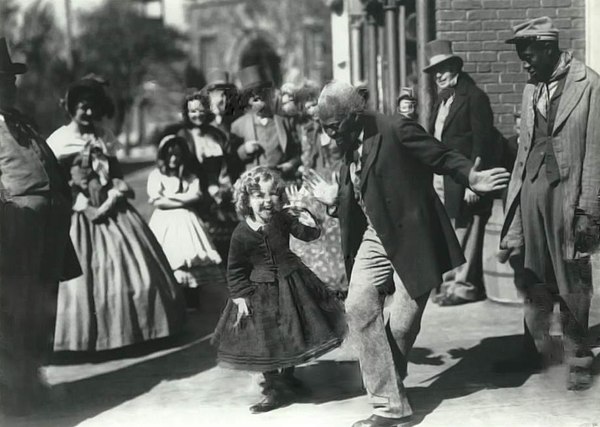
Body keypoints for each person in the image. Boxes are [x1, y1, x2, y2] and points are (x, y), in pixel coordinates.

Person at [305, 81, 509, 427]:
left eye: (333, 127)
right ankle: (388, 404)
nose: (328, 136)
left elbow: (441, 155)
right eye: (323, 128)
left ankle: (391, 386)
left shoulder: (396, 128)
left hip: (415, 239)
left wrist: (472, 176)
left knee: (401, 325)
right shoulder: (345, 139)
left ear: (353, 116)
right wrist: (335, 200)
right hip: (374, 237)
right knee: (357, 306)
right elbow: (358, 190)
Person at [47, 76, 185, 352]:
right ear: (71, 107)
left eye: (93, 108)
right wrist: (81, 203)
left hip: (112, 208)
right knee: (79, 280)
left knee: (138, 273)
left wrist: (114, 192)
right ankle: (79, 340)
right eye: (83, 107)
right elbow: (55, 181)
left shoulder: (104, 136)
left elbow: (116, 173)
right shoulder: (59, 140)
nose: (88, 113)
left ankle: (137, 332)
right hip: (78, 211)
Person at [498, 16, 600, 391]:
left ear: (547, 47)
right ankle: (535, 350)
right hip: (531, 193)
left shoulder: (588, 85)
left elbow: (595, 154)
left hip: (568, 195)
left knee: (573, 279)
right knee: (530, 275)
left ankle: (578, 357)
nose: (524, 62)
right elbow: (524, 151)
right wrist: (515, 206)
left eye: (529, 54)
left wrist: (588, 210)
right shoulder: (530, 89)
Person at [212, 166, 346, 414]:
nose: (266, 201)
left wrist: (308, 216)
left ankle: (288, 377)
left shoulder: (283, 219)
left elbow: (308, 234)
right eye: (259, 196)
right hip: (258, 292)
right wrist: (240, 296)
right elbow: (235, 267)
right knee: (268, 339)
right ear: (246, 200)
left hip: (292, 283)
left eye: (273, 194)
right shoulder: (241, 233)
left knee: (294, 331)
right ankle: (273, 387)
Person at [0, 37, 81, 416]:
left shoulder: (21, 119)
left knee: (41, 308)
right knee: (14, 310)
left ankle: (32, 381)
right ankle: (12, 394)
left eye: (9, 77)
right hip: (16, 229)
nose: (10, 84)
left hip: (47, 228)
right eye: (3, 78)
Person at [425, 39, 499, 306]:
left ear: (456, 66)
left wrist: (473, 182)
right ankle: (450, 283)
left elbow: (483, 143)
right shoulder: (442, 101)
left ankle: (465, 287)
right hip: (444, 178)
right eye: (434, 71)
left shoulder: (475, 98)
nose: (438, 75)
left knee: (468, 231)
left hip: (466, 179)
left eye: (443, 69)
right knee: (453, 231)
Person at [159, 90, 239, 262]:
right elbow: (178, 167)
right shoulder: (182, 136)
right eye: (193, 111)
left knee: (225, 236)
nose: (198, 115)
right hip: (194, 191)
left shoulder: (217, 134)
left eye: (201, 110)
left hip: (219, 190)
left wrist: (222, 187)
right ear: (187, 113)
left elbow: (226, 164)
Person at [147, 135, 223, 309]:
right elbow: (158, 201)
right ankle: (171, 299)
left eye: (178, 155)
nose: (174, 159)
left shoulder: (190, 177)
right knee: (169, 256)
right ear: (163, 156)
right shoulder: (156, 175)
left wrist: (172, 198)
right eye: (170, 155)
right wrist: (182, 198)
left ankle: (192, 296)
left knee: (190, 254)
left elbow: (196, 196)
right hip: (163, 220)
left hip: (187, 219)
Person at [290, 83, 347, 294]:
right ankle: (317, 279)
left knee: (335, 232)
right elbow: (307, 163)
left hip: (336, 182)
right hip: (314, 184)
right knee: (307, 228)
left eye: (313, 104)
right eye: (306, 107)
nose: (311, 110)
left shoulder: (336, 126)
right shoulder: (309, 131)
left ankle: (341, 280)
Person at [231, 65, 301, 181]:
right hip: (253, 187)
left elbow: (298, 152)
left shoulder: (284, 121)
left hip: (282, 182)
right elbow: (231, 161)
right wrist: (244, 150)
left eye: (262, 97)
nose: (259, 103)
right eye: (253, 99)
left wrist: (291, 164)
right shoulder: (238, 126)